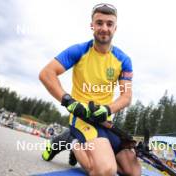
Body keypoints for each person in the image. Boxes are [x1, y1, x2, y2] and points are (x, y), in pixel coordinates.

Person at [39, 3, 141, 176]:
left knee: (133, 172)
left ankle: (78, 141)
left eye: (109, 24)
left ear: (115, 28)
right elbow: (46, 73)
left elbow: (126, 97)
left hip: (104, 119)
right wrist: (68, 101)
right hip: (81, 117)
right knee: (106, 171)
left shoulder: (124, 60)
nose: (104, 28)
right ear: (92, 25)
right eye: (99, 23)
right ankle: (73, 141)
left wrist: (108, 109)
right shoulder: (79, 50)